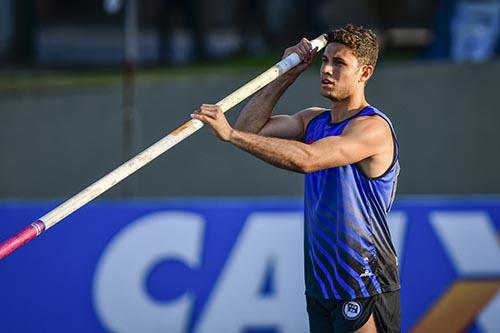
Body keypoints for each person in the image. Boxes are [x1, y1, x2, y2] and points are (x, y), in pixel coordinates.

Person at [191, 24, 401, 333]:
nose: (327, 69)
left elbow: (309, 159)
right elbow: (250, 128)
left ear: (364, 73)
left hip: (363, 282)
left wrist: (231, 135)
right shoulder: (313, 120)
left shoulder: (372, 128)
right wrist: (287, 72)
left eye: (339, 63)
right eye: (324, 61)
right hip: (320, 283)